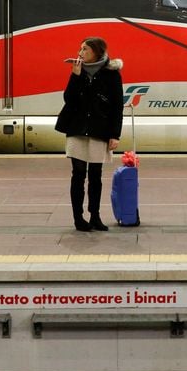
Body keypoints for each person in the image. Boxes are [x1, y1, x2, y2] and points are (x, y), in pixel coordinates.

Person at [55, 37, 124, 232]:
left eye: (85, 49)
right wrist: (75, 76)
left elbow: (117, 106)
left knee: (95, 175)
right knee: (78, 174)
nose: (80, 53)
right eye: (80, 49)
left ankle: (95, 216)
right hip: (77, 128)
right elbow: (69, 99)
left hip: (99, 129)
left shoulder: (111, 74)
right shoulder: (79, 71)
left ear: (96, 52)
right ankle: (78, 218)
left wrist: (115, 134)